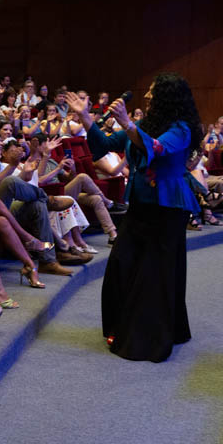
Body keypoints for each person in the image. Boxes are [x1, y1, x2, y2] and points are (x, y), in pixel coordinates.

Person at [67, 72, 202, 362]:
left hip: (168, 208)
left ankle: (149, 338)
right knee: (120, 262)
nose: (148, 96)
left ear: (167, 97)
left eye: (154, 92)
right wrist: (86, 117)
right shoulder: (142, 125)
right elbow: (103, 145)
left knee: (155, 274)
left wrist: (127, 122)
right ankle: (120, 325)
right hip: (141, 205)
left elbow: (157, 148)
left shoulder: (182, 128)